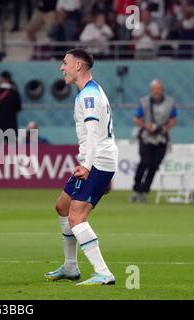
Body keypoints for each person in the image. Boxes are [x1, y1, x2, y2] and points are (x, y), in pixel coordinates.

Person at [45, 48, 118, 286]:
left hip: (96, 161)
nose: (61, 67)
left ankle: (104, 273)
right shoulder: (93, 91)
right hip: (99, 160)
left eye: (65, 62)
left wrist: (87, 165)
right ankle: (70, 267)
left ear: (78, 66)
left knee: (77, 216)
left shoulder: (88, 96)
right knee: (63, 206)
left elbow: (92, 132)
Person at [129, 79, 177, 203]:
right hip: (146, 136)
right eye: (155, 90)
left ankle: (143, 190)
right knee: (144, 161)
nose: (157, 92)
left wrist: (167, 128)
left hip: (161, 138)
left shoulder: (170, 102)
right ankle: (137, 187)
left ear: (162, 90)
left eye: (159, 90)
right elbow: (137, 118)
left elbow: (173, 118)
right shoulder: (144, 102)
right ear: (152, 90)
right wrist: (146, 126)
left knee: (154, 166)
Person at [0, 70, 21, 142]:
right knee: (12, 151)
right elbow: (18, 108)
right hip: (11, 125)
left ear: (1, 78)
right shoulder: (15, 94)